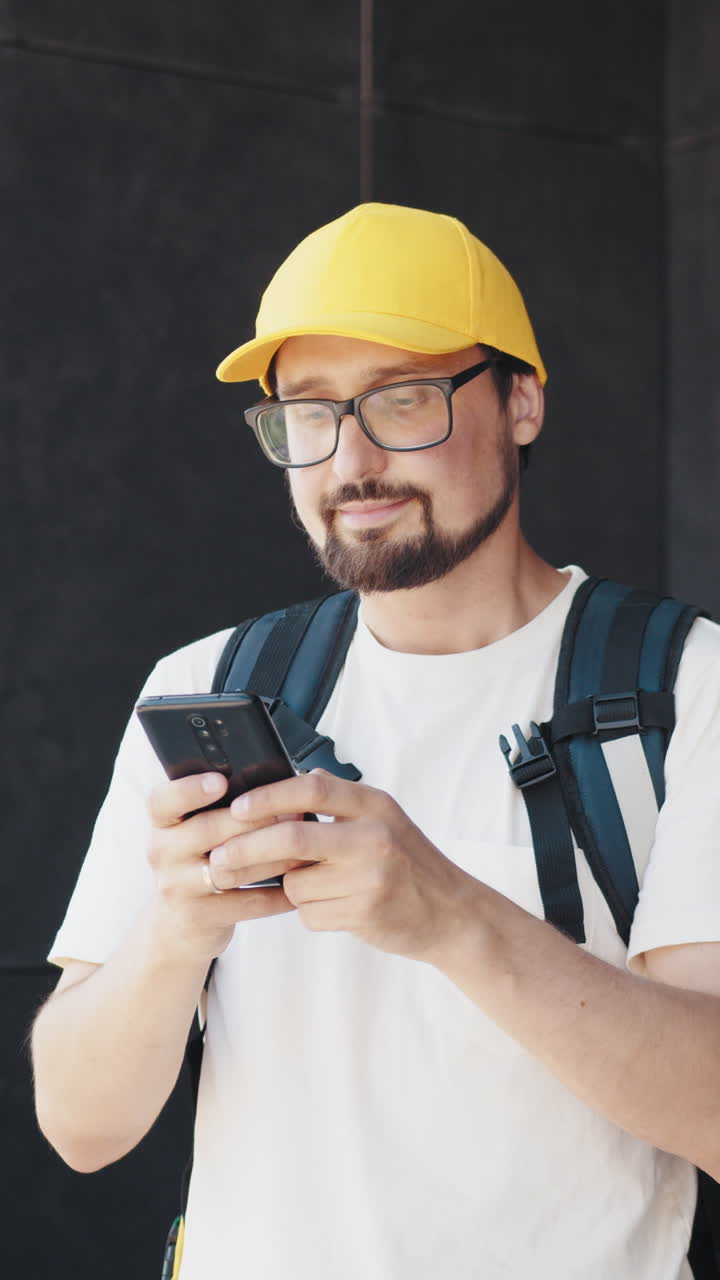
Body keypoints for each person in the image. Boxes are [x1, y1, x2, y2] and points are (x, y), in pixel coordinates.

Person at [32, 203, 720, 1280]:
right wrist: (175, 928)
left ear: (522, 402)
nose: (352, 461)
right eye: (308, 414)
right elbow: (80, 1126)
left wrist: (452, 916)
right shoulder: (204, 685)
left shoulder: (690, 686)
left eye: (404, 400)